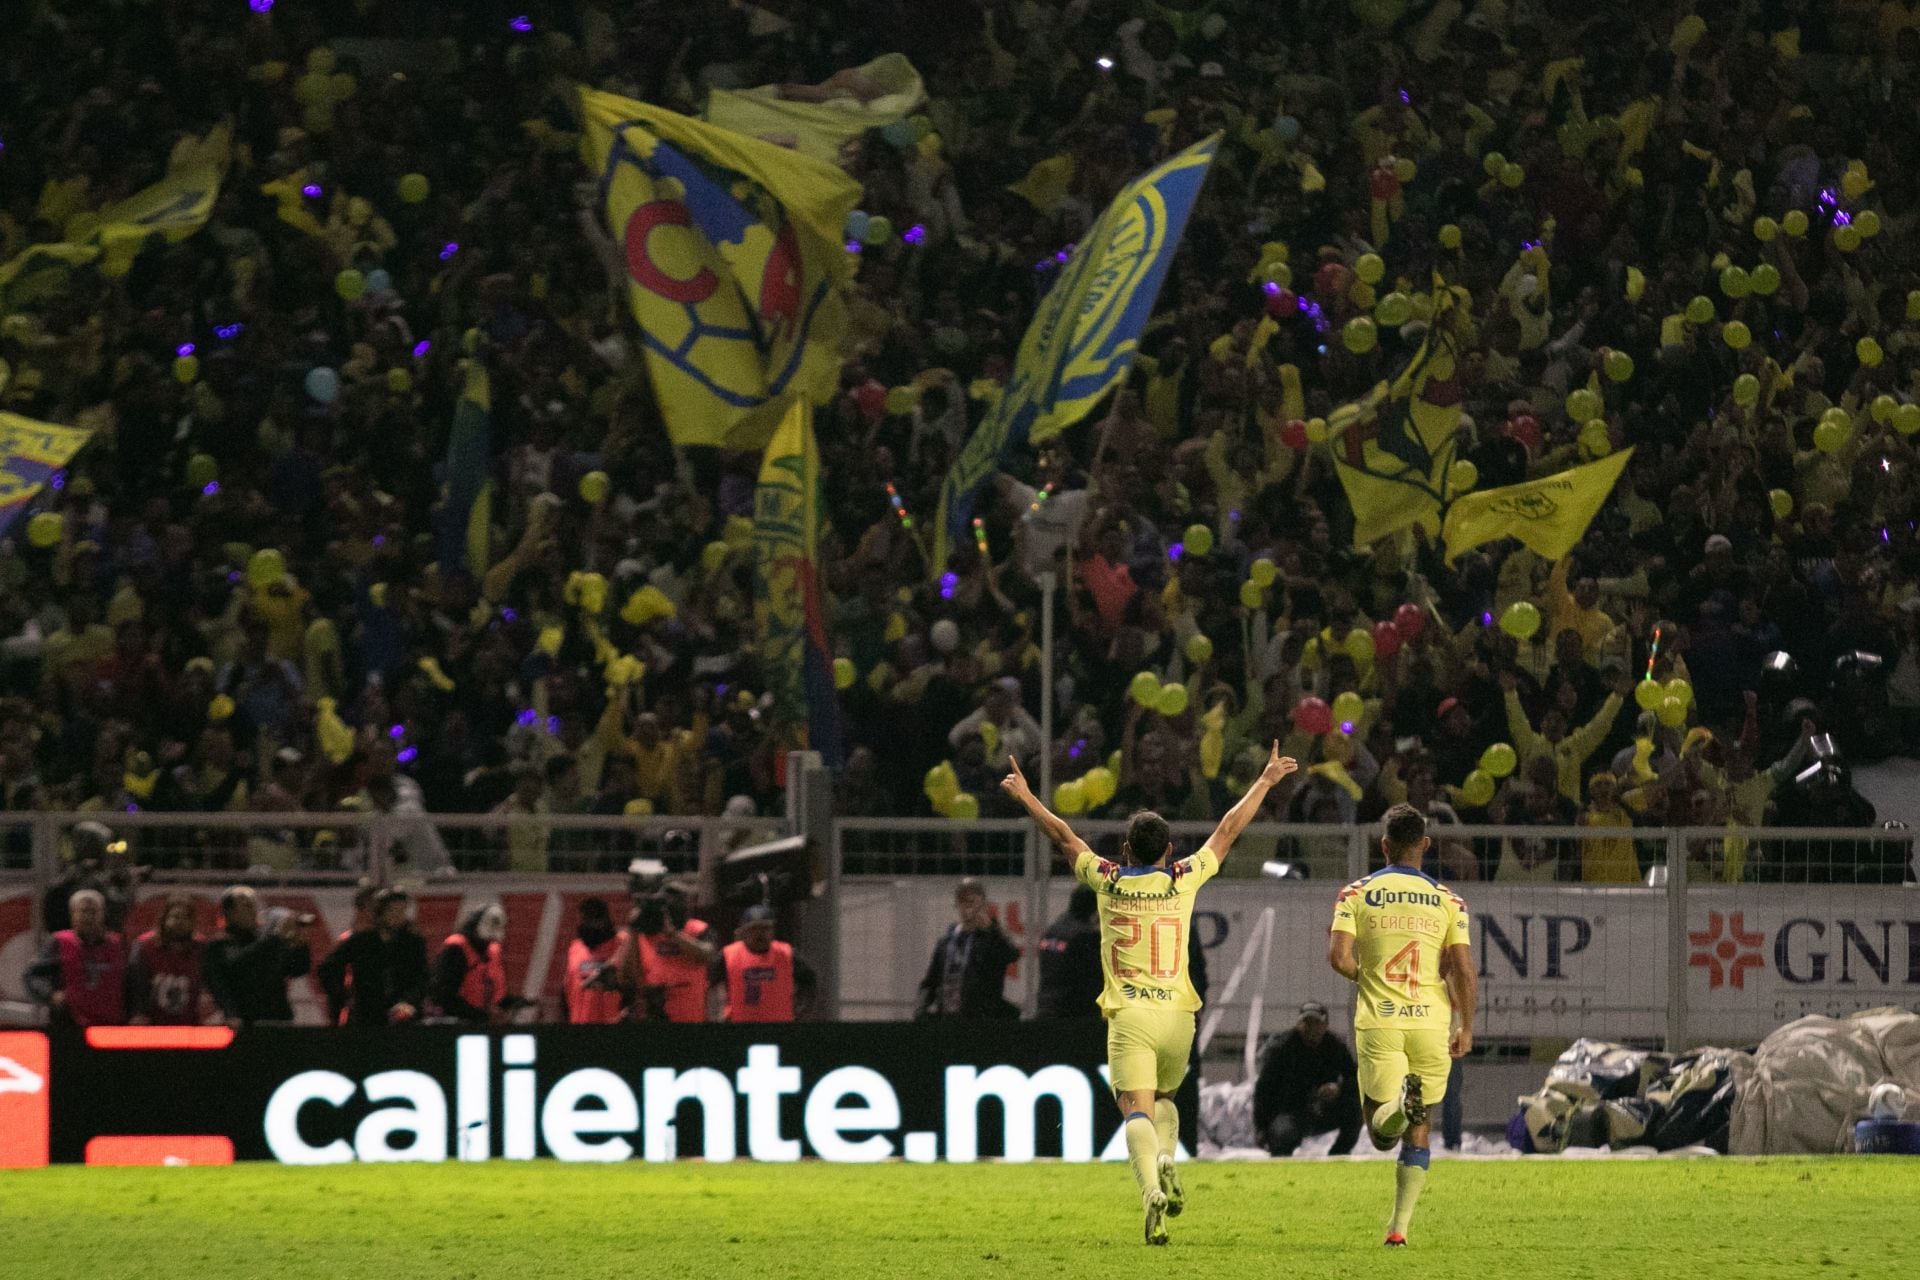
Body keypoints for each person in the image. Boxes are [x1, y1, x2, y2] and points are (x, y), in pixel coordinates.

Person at [1003, 742, 1298, 1246]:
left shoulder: (1107, 880)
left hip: (1132, 1016)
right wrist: (1266, 781)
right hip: (1178, 1016)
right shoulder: (1184, 878)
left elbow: (1063, 836)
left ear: (1124, 851)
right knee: (1166, 1100)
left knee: (1134, 1108)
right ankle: (1167, 1155)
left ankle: (1149, 1195)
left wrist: (1028, 797)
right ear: (1169, 850)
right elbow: (1228, 828)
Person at [1328, 804, 1476, 1249]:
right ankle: (1399, 1228)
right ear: (1426, 845)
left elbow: (1338, 957)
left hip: (1381, 1021)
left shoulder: (1355, 893)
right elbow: (1464, 971)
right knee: (1420, 1127)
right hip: (1432, 1022)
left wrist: (1365, 975)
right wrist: (1466, 1028)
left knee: (1378, 1133)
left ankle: (1396, 1103)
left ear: (1383, 844)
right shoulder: (1450, 900)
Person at [1253, 1002, 1362, 1157]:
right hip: (1290, 1112)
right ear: (1299, 1025)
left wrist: (1338, 1088)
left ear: (1325, 1025)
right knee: (1282, 1133)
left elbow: (1356, 1078)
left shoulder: (1335, 1047)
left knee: (1355, 1108)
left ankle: (1339, 1155)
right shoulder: (1282, 1048)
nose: (1311, 1029)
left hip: (1323, 1109)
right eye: (1307, 1023)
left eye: (1316, 1023)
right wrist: (1260, 1128)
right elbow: (1263, 1090)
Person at [317, 888, 429, 1027]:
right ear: (380, 913)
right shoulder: (360, 941)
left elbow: (422, 978)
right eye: (392, 911)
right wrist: (344, 997)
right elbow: (327, 969)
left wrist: (409, 1001)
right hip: (367, 1017)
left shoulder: (413, 943)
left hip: (404, 1018)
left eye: (402, 911)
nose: (398, 916)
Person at [913, 878, 1020, 1021]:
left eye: (972, 902)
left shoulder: (990, 939)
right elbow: (930, 982)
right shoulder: (947, 942)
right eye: (963, 902)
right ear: (957, 904)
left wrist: (991, 928)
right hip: (949, 1016)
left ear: (983, 904)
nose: (967, 908)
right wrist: (921, 1008)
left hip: (981, 1020)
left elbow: (1011, 954)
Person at [203, 886, 312, 1025]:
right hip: (245, 1022)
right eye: (246, 906)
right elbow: (238, 967)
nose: (253, 911)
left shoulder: (266, 941)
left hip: (278, 1021)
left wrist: (301, 946)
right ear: (230, 913)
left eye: (253, 906)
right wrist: (276, 937)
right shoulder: (218, 947)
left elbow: (297, 969)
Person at [24, 888, 127, 1027]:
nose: (88, 917)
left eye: (93, 912)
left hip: (110, 1024)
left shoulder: (117, 944)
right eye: (83, 911)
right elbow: (31, 975)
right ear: (73, 915)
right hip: (69, 1024)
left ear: (102, 914)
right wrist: (50, 995)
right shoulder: (59, 942)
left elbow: (131, 981)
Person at [625, 885, 716, 1022]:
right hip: (653, 1011)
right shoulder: (648, 930)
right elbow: (628, 972)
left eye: (678, 900)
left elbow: (708, 955)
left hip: (689, 1014)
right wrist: (633, 930)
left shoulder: (698, 928)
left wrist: (672, 933)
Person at [714, 905, 817, 1023]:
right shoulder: (728, 955)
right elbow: (707, 983)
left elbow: (810, 981)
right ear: (744, 932)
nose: (760, 934)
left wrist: (801, 1011)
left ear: (772, 931)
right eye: (754, 929)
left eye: (765, 928)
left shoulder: (786, 954)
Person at [126, 894, 211, 1025]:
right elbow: (135, 985)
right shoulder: (145, 946)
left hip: (191, 1025)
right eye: (175, 917)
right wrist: (138, 1013)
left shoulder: (202, 948)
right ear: (164, 919)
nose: (180, 922)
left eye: (186, 918)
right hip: (151, 1024)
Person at [429, 905, 508, 1023]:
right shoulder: (456, 949)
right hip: (456, 1021)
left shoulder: (492, 951)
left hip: (481, 1020)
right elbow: (444, 994)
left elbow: (495, 990)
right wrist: (478, 1015)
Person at [1034, 885, 1103, 1019]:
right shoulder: (1086, 936)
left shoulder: (1052, 931)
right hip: (1074, 1014)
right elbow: (1094, 979)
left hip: (1047, 1007)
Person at [564, 897, 630, 1024]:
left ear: (603, 920)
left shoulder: (622, 944)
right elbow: (568, 990)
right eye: (583, 919)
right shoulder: (575, 948)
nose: (584, 924)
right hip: (580, 1027)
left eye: (591, 919)